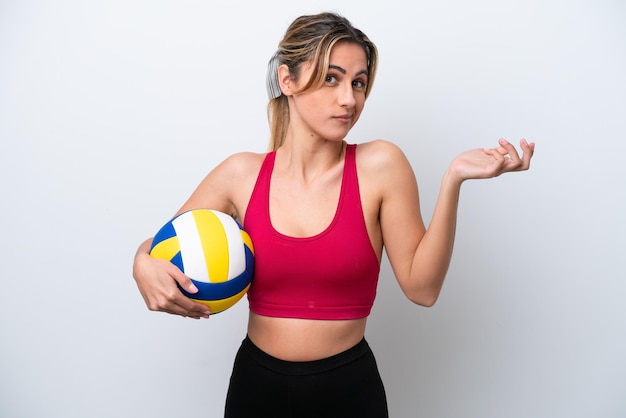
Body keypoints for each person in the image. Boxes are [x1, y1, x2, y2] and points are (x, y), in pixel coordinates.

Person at [132, 11, 535, 418]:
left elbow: (422, 289)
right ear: (287, 80)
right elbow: (163, 246)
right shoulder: (240, 174)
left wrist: (453, 180)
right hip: (257, 389)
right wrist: (140, 263)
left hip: (348, 391)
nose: (349, 99)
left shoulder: (381, 165)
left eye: (358, 82)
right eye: (331, 78)